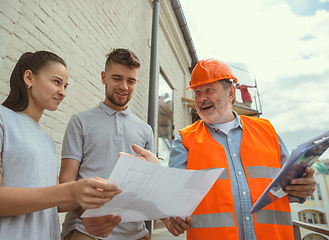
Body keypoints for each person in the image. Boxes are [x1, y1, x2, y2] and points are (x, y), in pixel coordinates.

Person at [134, 58, 316, 240]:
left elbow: (291, 185)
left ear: (231, 92)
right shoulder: (185, 139)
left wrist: (304, 186)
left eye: (209, 90)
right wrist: (156, 176)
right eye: (197, 92)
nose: (201, 98)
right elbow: (174, 197)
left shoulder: (267, 130)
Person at [0, 51, 120, 240]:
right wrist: (72, 190)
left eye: (65, 86)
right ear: (29, 77)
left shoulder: (47, 141)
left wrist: (96, 199)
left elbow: (56, 202)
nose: (63, 92)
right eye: (56, 82)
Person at [59, 48, 155, 240]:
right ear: (104, 77)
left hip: (135, 233)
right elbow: (66, 183)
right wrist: (89, 218)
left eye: (131, 80)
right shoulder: (80, 121)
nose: (124, 86)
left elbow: (149, 186)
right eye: (117, 78)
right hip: (86, 229)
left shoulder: (145, 130)